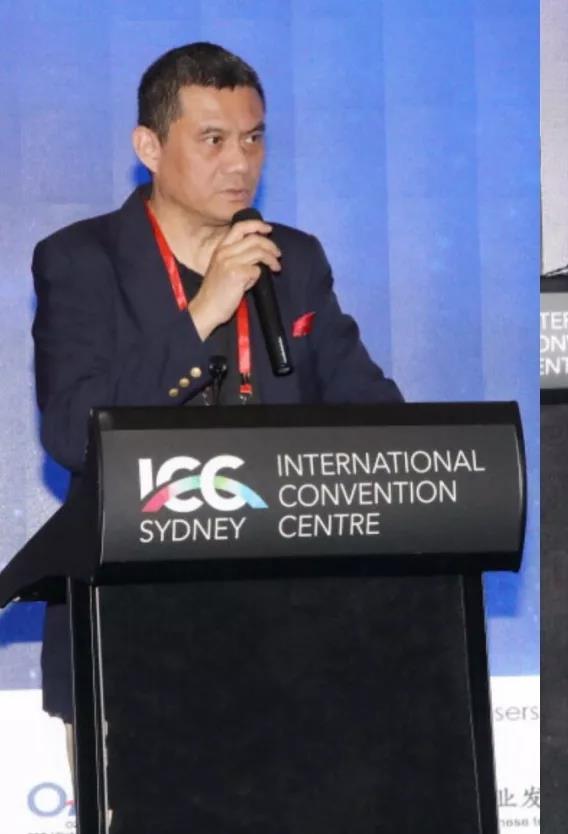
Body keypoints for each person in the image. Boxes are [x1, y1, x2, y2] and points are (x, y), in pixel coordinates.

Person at [32, 42, 402, 724]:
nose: (240, 162)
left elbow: (374, 411)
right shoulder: (81, 260)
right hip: (133, 628)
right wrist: (205, 311)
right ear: (149, 146)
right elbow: (70, 432)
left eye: (253, 138)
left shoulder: (293, 259)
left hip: (289, 630)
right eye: (213, 140)